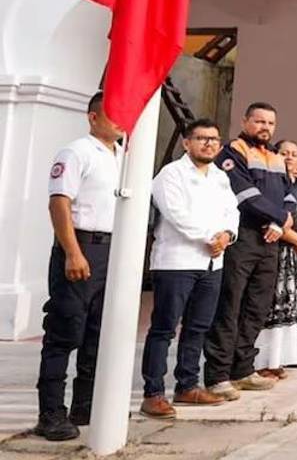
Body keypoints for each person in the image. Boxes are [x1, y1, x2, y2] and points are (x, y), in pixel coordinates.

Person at [33, 92, 123, 441]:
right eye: (113, 113)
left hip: (113, 249)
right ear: (93, 117)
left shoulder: (123, 155)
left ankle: (85, 405)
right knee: (65, 329)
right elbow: (59, 202)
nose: (120, 120)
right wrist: (72, 251)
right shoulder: (76, 152)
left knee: (98, 332)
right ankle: (50, 413)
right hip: (83, 246)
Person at [140, 119, 239, 418]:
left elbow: (231, 210)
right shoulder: (170, 174)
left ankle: (187, 385)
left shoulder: (220, 177)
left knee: (198, 327)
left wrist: (227, 235)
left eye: (214, 139)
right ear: (186, 143)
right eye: (201, 138)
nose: (208, 144)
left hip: (212, 262)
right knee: (164, 328)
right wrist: (210, 237)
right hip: (177, 262)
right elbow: (175, 213)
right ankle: (153, 393)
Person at [205, 103, 294, 400]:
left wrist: (280, 223)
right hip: (242, 238)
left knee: (257, 307)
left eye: (270, 123)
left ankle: (242, 369)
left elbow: (291, 194)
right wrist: (279, 217)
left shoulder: (276, 157)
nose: (265, 127)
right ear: (245, 121)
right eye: (259, 121)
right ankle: (218, 375)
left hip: (270, 240)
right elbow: (244, 195)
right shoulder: (232, 152)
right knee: (230, 306)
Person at [255, 144, 297, 375]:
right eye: (285, 153)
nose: (290, 158)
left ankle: (284, 358)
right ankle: (265, 361)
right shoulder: (269, 184)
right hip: (277, 250)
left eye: (294, 154)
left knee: (294, 307)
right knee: (272, 307)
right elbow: (267, 218)